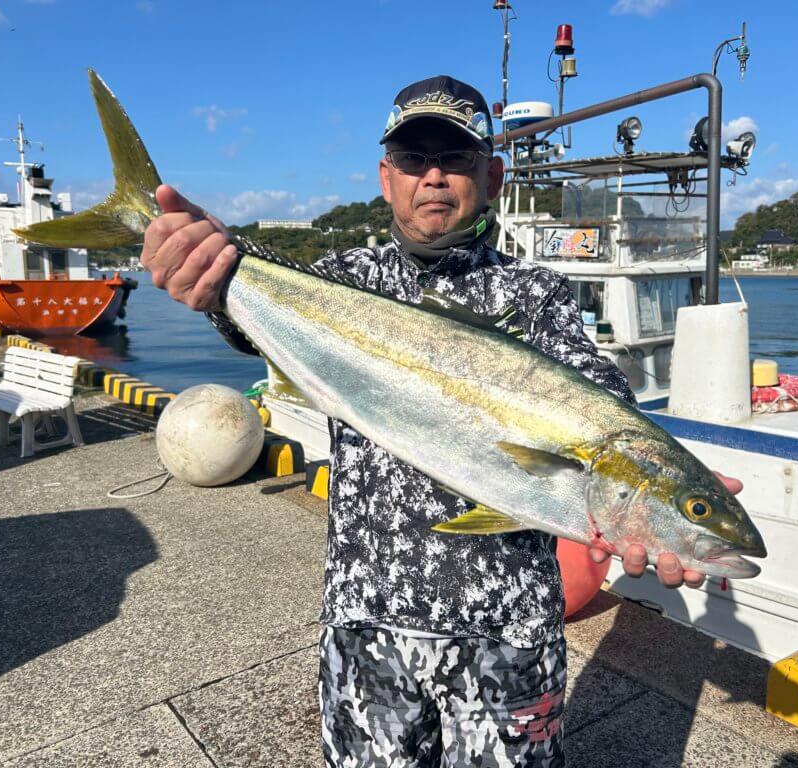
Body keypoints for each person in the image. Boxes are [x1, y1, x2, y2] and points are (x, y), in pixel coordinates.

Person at [142, 75, 742, 767]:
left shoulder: (537, 293)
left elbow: (601, 394)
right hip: (367, 623)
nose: (432, 176)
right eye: (412, 159)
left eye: (454, 160)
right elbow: (250, 321)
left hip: (509, 634)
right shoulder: (344, 279)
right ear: (385, 177)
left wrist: (671, 494)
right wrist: (214, 283)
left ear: (490, 176)